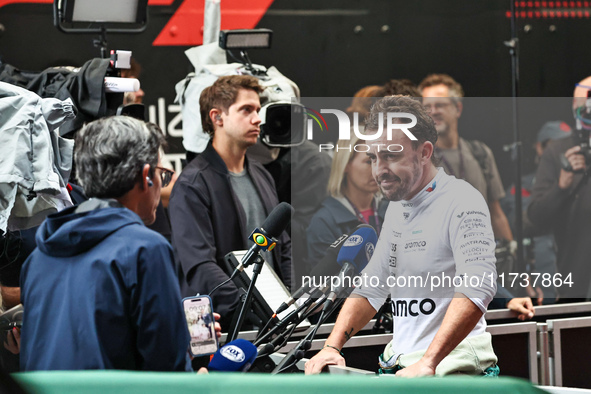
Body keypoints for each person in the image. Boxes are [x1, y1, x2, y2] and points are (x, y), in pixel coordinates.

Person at [306, 95, 498, 377]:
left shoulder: (462, 199)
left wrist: (429, 362)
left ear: (424, 152)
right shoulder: (398, 206)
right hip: (405, 365)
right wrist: (332, 347)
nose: (379, 170)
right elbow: (373, 285)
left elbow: (478, 286)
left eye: (391, 155)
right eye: (373, 157)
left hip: (456, 372)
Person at [20, 117, 193, 371]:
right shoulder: (145, 249)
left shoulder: (38, 258)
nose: (161, 186)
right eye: (162, 175)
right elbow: (167, 369)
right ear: (146, 176)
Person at [169, 75, 292, 329]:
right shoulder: (192, 184)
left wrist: (289, 306)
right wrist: (251, 311)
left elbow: (283, 250)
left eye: (257, 110)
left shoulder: (262, 174)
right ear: (217, 117)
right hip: (223, 327)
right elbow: (200, 266)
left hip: (271, 323)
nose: (258, 118)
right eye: (246, 110)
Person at [420, 74, 537, 317]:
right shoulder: (419, 160)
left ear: (457, 108)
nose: (433, 111)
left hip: (488, 269)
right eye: (427, 107)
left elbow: (496, 213)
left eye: (440, 105)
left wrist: (518, 273)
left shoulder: (480, 153)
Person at [527, 77, 591, 301]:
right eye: (587, 101)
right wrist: (562, 186)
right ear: (575, 107)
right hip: (575, 280)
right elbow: (536, 215)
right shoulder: (557, 150)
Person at [500, 121, 572, 304]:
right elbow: (516, 229)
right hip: (540, 278)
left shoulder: (581, 184)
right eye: (552, 145)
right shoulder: (520, 187)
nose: (559, 150)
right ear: (539, 148)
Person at [307, 135, 387, 264]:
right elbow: (324, 281)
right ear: (345, 165)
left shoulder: (393, 209)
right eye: (369, 161)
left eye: (381, 160)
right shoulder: (324, 221)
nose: (378, 170)